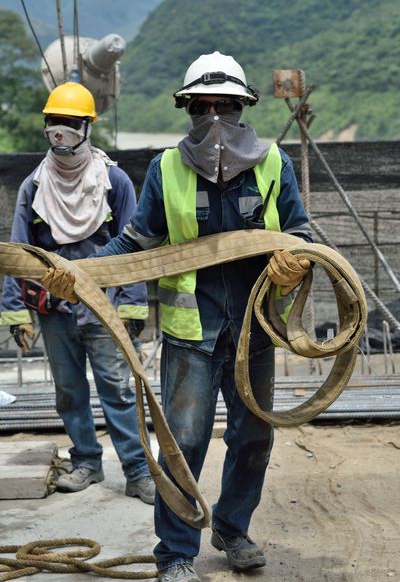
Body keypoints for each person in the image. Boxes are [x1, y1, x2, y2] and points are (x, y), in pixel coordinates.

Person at [41, 53, 312, 581]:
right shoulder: (167, 169)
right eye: (202, 106)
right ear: (188, 109)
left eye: (225, 106)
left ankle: (233, 530)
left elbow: (299, 233)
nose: (214, 116)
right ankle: (176, 553)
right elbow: (134, 242)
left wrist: (293, 262)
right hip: (193, 333)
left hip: (256, 329)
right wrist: (79, 274)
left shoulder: (274, 163)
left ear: (242, 107)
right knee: (182, 441)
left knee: (254, 437)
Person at [0, 82, 155, 505]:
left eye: (69, 123)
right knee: (69, 390)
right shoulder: (34, 187)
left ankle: (138, 471)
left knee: (118, 390)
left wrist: (133, 304)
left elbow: (136, 247)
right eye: (54, 122)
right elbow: (16, 253)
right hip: (54, 310)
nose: (60, 130)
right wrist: (15, 312)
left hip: (104, 307)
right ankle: (87, 461)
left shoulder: (114, 182)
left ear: (88, 127)